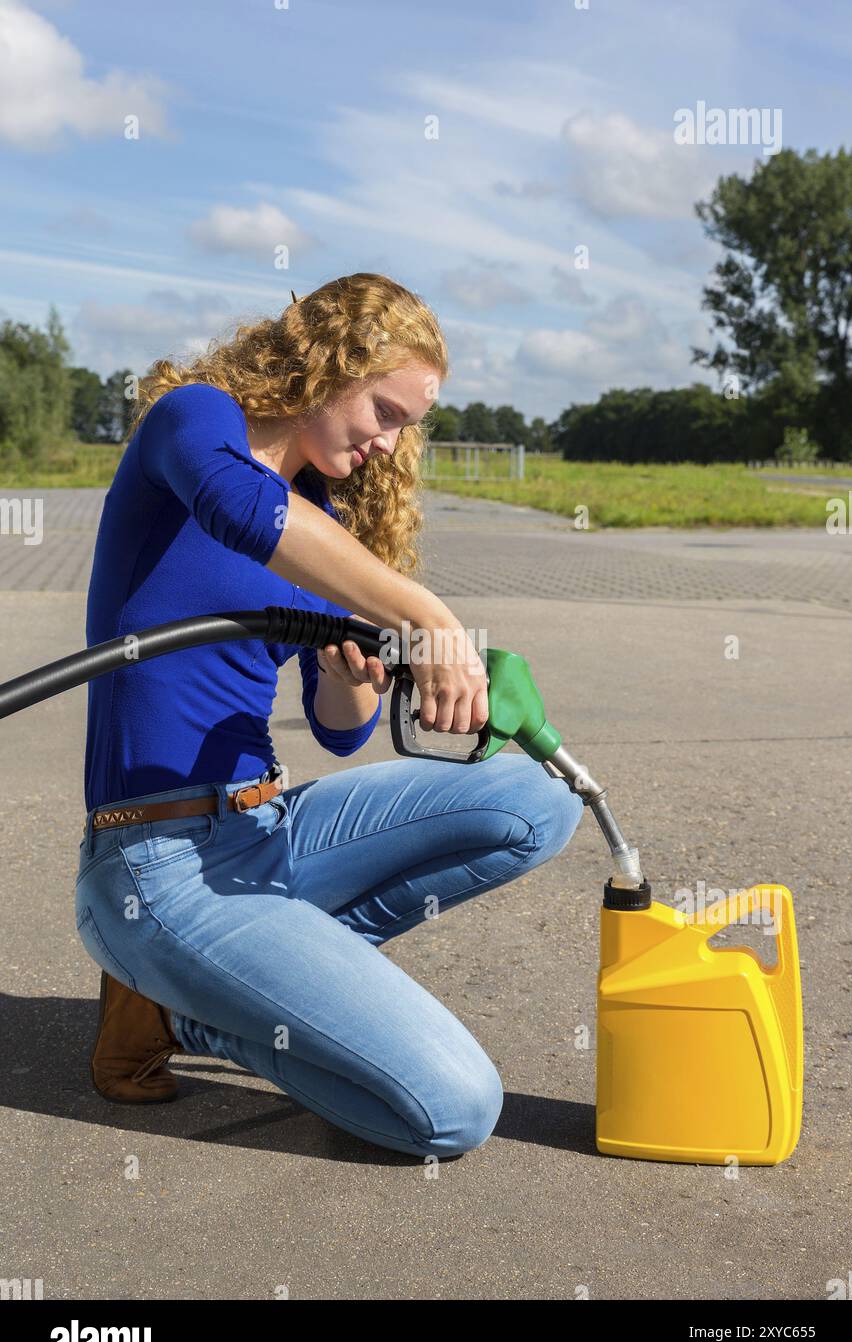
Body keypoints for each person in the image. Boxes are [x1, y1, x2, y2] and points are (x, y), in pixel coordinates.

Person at [75, 271, 583, 1160]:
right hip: (157, 864)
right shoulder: (195, 421)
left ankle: (238, 984)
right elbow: (235, 506)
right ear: (326, 366)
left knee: (538, 796)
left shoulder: (324, 519)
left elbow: (340, 729)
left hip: (267, 832)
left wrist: (354, 668)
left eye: (406, 427)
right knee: (454, 1110)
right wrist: (423, 614)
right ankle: (185, 1015)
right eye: (384, 411)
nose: (391, 443)